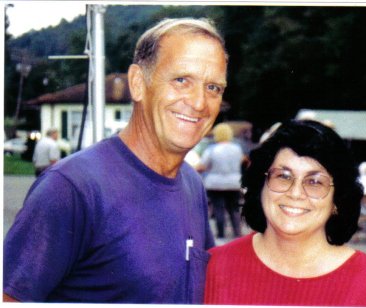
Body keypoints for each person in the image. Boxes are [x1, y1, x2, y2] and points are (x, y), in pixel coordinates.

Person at [3, 17, 228, 303]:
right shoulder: (72, 188)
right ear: (137, 83)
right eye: (181, 80)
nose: (199, 102)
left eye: (213, 88)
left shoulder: (191, 184)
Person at [204, 120, 366, 307]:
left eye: (315, 182)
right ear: (261, 186)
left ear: (337, 200)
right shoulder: (210, 271)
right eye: (283, 176)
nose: (295, 193)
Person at [196, 123, 246, 239]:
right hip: (234, 183)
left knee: (219, 210)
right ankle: (237, 233)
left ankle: (221, 234)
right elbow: (241, 161)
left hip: (215, 184)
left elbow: (204, 165)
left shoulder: (212, 149)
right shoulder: (237, 148)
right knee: (234, 209)